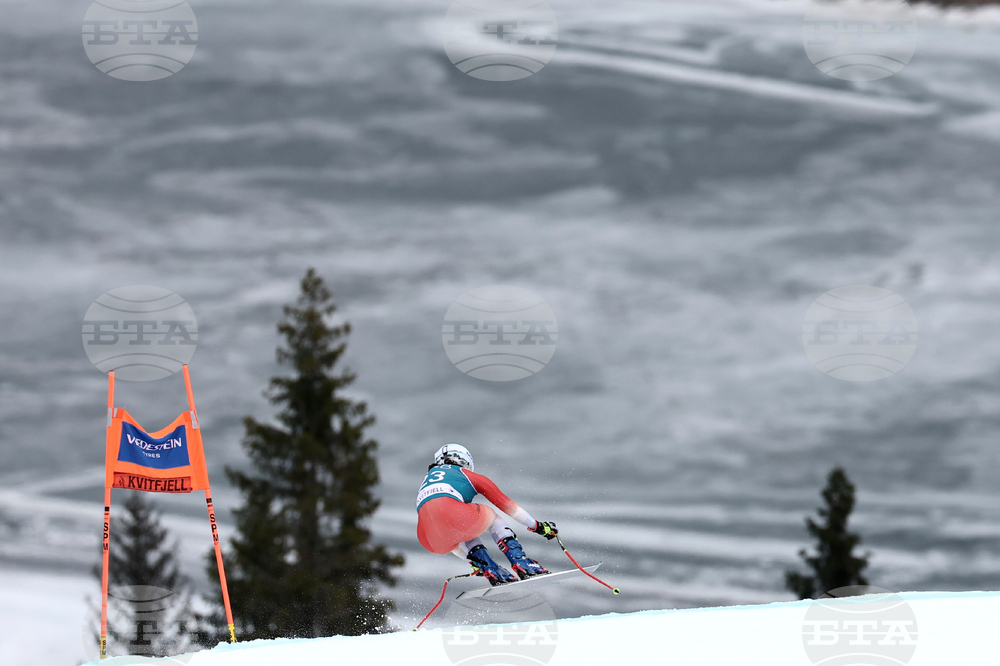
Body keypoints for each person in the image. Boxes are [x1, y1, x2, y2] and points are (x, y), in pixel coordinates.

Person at [416, 443, 559, 585]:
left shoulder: (425, 481)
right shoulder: (463, 473)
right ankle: (521, 562)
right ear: (463, 461)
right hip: (453, 516)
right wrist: (537, 526)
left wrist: (473, 560)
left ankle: (490, 569)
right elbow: (506, 505)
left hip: (428, 539)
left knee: (462, 529)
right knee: (490, 515)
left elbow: (447, 534)